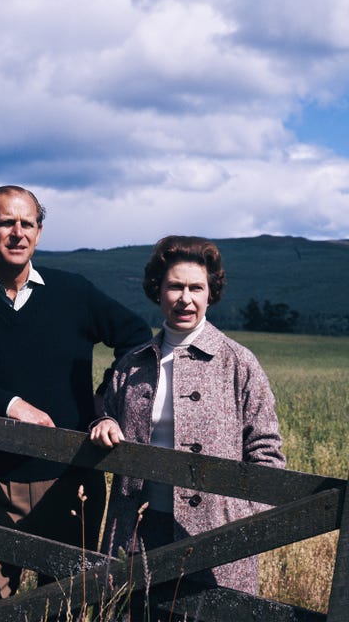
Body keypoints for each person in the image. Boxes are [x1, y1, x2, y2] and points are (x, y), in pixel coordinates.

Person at [0, 185, 152, 609]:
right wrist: (11, 404)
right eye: (5, 223)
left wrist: (105, 403)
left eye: (26, 223)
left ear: (39, 231)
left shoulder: (73, 293)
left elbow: (137, 339)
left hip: (72, 481)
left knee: (66, 608)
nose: (17, 233)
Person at [90, 235, 285, 595]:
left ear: (211, 292)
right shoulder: (131, 365)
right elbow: (109, 418)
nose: (185, 298)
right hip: (136, 535)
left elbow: (267, 456)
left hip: (215, 541)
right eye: (175, 287)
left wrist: (238, 528)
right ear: (157, 291)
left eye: (197, 287)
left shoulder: (238, 363)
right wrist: (104, 422)